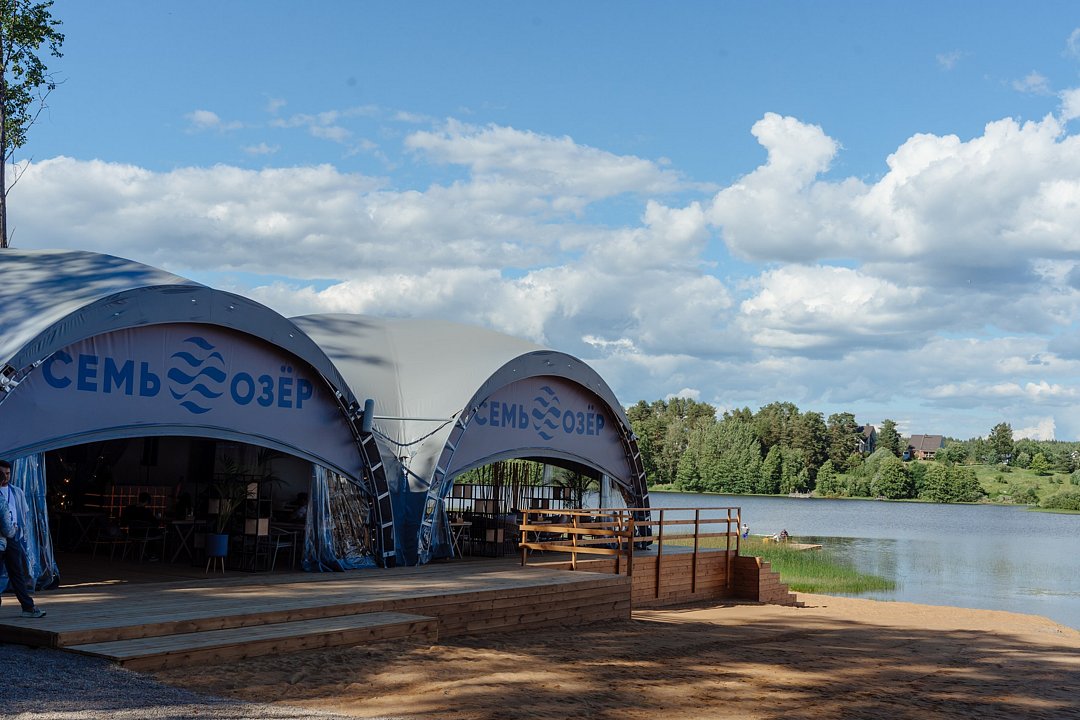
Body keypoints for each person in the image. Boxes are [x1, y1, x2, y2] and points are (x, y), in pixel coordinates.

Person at [0, 459, 45, 618]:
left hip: (13, 537)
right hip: (3, 536)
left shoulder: (16, 492)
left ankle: (28, 606)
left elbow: (23, 514)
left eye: (7, 473)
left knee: (17, 572)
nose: (5, 477)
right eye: (2, 474)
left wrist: (20, 533)